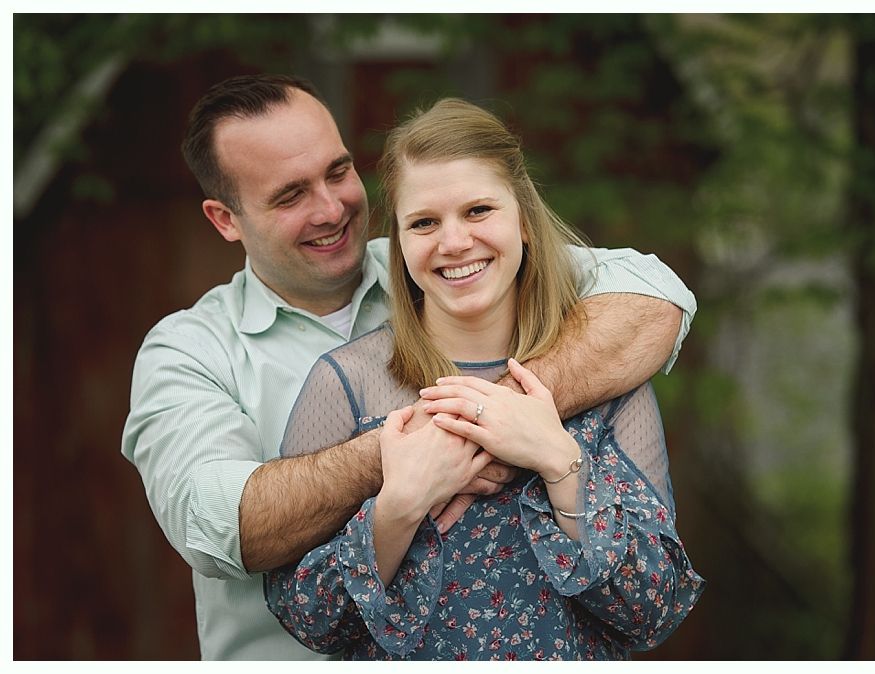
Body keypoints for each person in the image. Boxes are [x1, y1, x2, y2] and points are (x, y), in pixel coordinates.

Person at [121, 75, 698, 660]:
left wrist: (510, 423)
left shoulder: (453, 268)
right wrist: (418, 454)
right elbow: (224, 525)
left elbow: (652, 299)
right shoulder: (189, 351)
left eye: (338, 172)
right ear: (226, 219)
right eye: (290, 195)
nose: (331, 208)